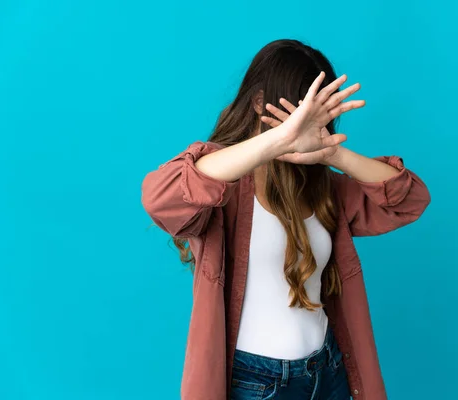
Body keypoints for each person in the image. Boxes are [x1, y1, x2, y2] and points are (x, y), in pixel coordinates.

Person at [141, 39, 431, 400]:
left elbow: (410, 200)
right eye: (303, 109)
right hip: (256, 382)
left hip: (329, 371)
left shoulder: (322, 186)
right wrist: (280, 139)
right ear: (259, 101)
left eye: (321, 110)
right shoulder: (222, 180)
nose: (311, 121)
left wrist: (334, 154)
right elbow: (159, 197)